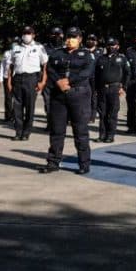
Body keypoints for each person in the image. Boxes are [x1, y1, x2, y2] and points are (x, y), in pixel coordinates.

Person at [39, 27, 95, 175]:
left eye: (74, 37)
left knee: (80, 131)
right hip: (59, 95)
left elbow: (87, 72)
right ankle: (53, 162)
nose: (70, 40)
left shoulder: (87, 55)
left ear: (80, 39)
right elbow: (50, 69)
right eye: (69, 37)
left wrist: (69, 81)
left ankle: (84, 164)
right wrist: (58, 81)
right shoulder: (57, 53)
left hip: (78, 95)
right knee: (56, 131)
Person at [7, 26, 48, 141]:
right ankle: (18, 131)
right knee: (17, 107)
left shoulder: (39, 47)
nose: (26, 35)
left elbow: (45, 65)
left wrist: (42, 81)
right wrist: (9, 81)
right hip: (18, 78)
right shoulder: (16, 47)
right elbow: (11, 65)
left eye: (29, 33)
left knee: (29, 107)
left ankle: (26, 132)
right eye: (25, 33)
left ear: (33, 35)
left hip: (32, 79)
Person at [94, 37, 129, 143]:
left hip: (115, 88)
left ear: (117, 46)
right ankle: (102, 135)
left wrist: (123, 87)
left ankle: (110, 135)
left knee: (112, 113)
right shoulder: (101, 58)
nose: (111, 47)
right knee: (102, 113)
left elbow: (127, 73)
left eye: (113, 45)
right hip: (102, 89)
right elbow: (96, 75)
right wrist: (95, 89)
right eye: (109, 45)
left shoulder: (122, 58)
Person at [41, 27, 63, 131]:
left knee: (61, 103)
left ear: (62, 35)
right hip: (48, 80)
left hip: (61, 80)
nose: (56, 36)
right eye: (54, 34)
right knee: (48, 103)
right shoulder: (44, 48)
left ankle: (59, 124)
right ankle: (50, 123)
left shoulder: (65, 48)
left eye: (58, 34)